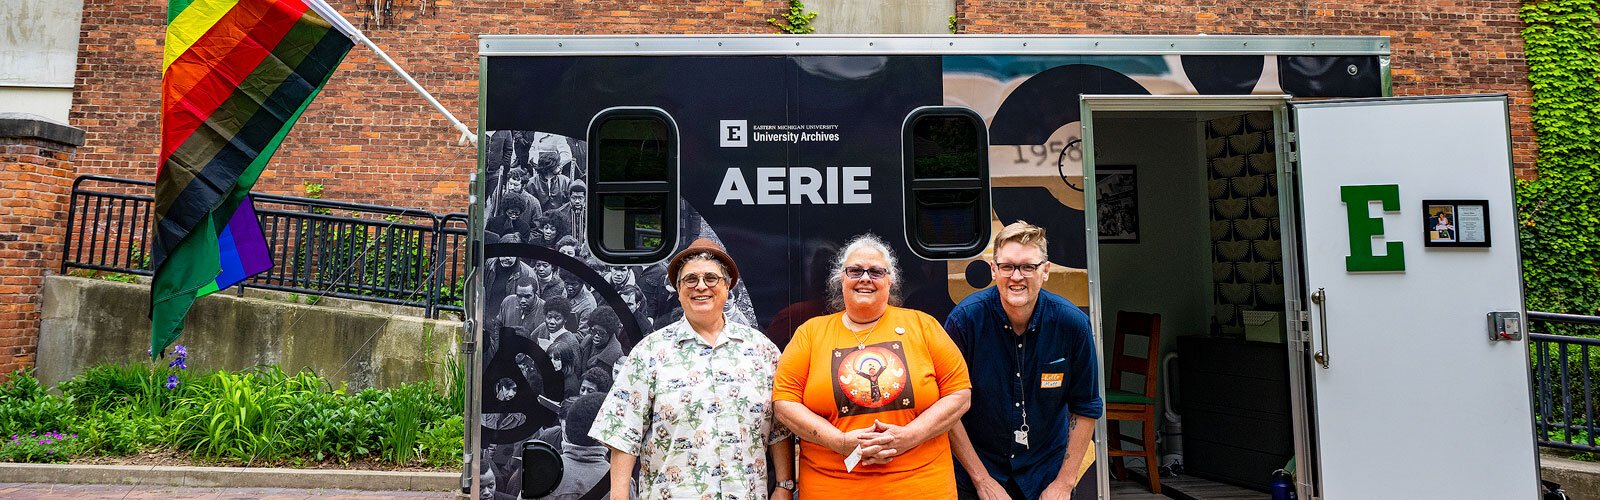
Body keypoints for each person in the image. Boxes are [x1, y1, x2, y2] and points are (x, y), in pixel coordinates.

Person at [592, 238, 795, 499]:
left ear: (727, 286)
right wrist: (619, 496)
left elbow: (779, 429)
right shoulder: (649, 352)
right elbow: (623, 433)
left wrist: (784, 485)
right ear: (678, 289)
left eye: (711, 278)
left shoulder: (761, 351)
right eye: (690, 279)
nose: (701, 286)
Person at [773, 233, 972, 498]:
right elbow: (784, 402)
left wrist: (909, 436)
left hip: (920, 486)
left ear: (891, 280)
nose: (865, 278)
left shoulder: (923, 326)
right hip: (833, 488)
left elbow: (960, 394)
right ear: (840, 279)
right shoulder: (810, 333)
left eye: (876, 272)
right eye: (855, 271)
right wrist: (838, 441)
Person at [945, 222, 1102, 500]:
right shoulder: (965, 321)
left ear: (1045, 271)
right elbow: (947, 408)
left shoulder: (1072, 325)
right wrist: (982, 481)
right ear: (994, 270)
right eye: (1007, 266)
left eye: (1028, 267)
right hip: (977, 470)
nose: (1017, 276)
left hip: (1046, 472)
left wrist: (1064, 484)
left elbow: (1086, 407)